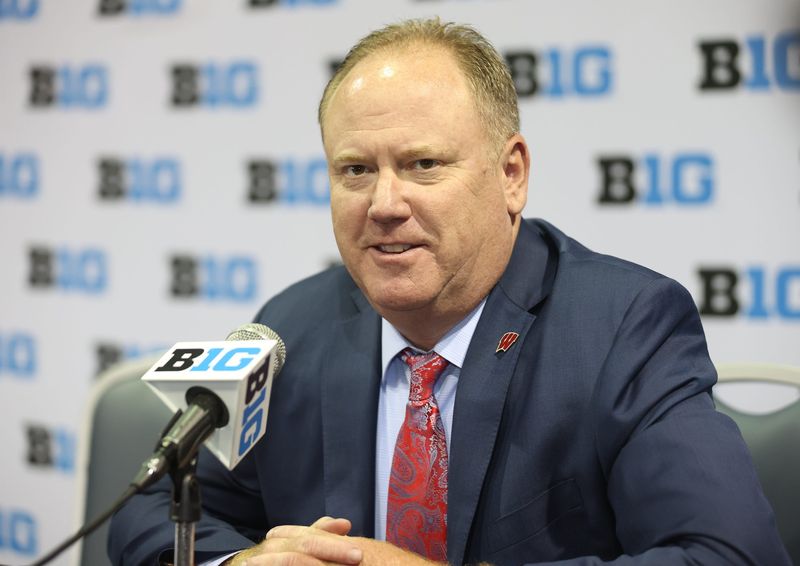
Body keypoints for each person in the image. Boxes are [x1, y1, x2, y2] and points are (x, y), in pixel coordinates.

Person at [109, 18, 790, 566]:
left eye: (422, 164)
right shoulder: (293, 326)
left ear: (511, 174)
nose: (383, 203)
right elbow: (150, 510)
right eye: (354, 170)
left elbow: (729, 552)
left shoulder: (622, 329)